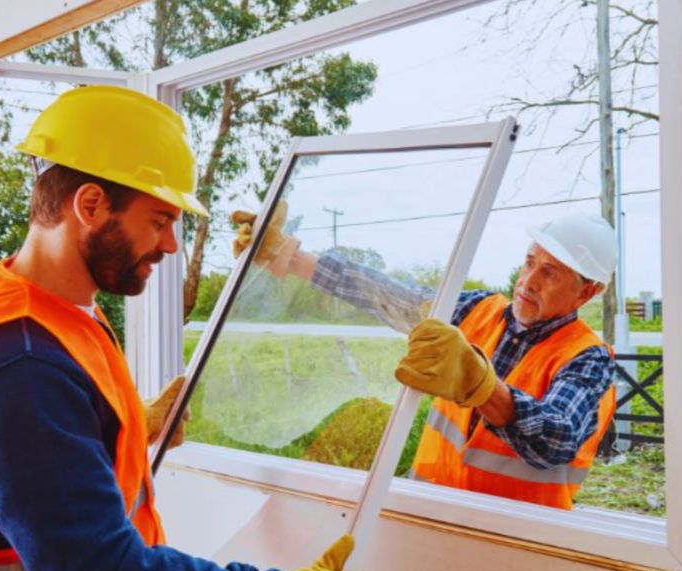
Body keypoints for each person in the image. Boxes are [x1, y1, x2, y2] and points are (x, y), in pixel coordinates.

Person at [0, 86, 368, 571]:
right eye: (160, 220)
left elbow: (37, 465)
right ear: (89, 205)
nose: (169, 244)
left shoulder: (49, 310)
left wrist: (129, 427)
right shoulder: (21, 366)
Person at [234, 205, 618, 510]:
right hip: (430, 510)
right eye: (530, 262)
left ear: (587, 293)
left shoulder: (588, 360)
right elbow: (387, 295)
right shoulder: (475, 311)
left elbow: (555, 438)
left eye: (550, 273)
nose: (529, 281)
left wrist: (481, 387)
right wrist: (290, 258)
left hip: (514, 540)